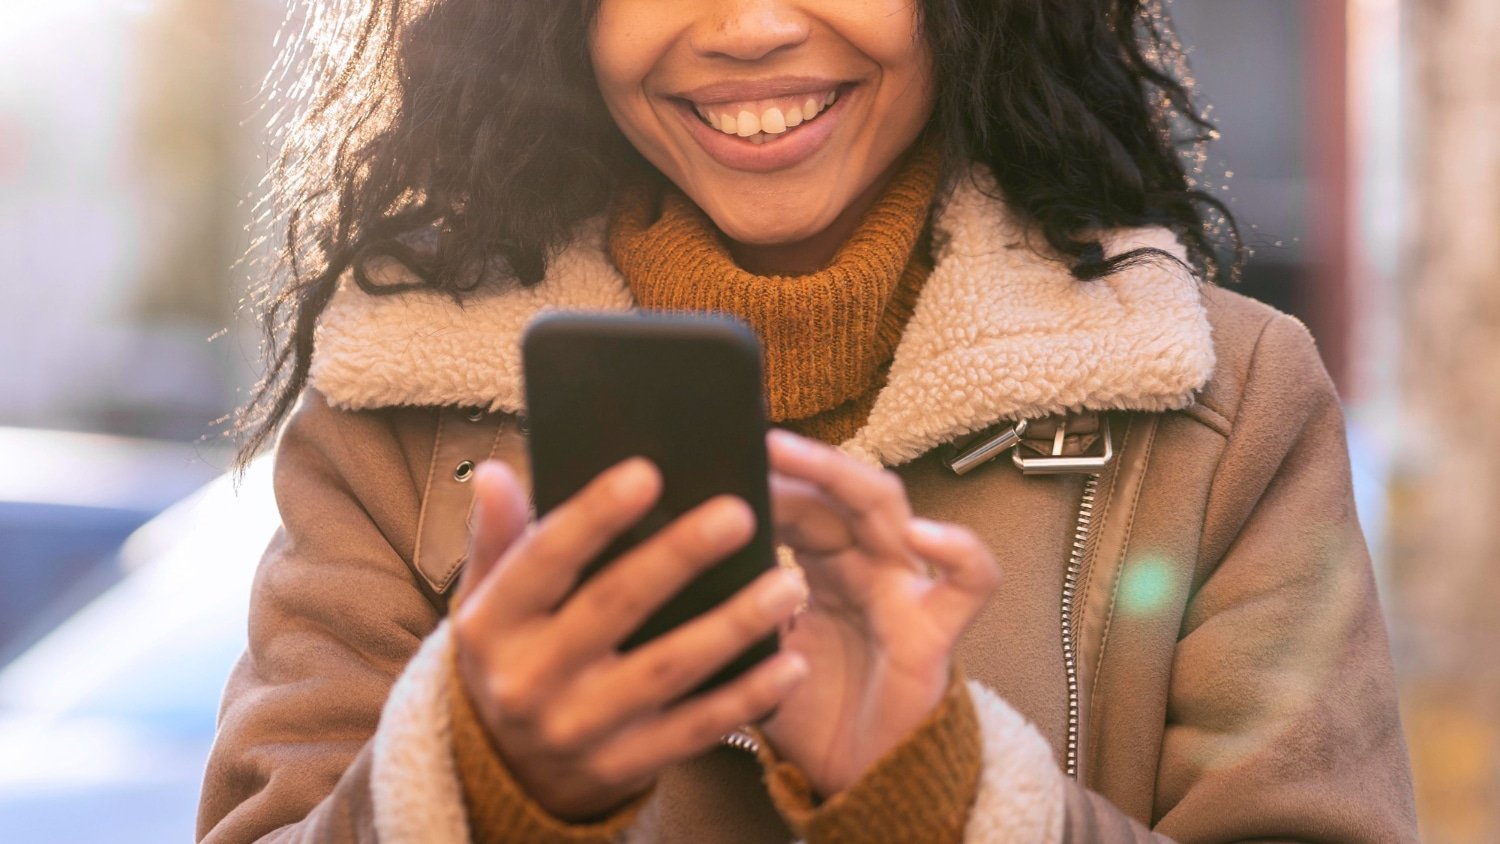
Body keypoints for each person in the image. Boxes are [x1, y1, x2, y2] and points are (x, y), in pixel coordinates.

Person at [198, 0, 1418, 841]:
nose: (749, 28)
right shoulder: (391, 409)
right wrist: (478, 783)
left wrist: (941, 790)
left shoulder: (1224, 399)